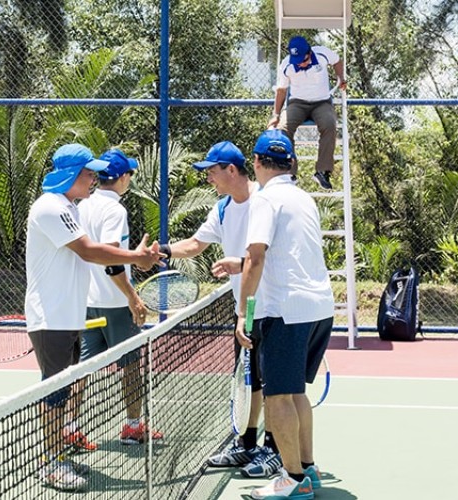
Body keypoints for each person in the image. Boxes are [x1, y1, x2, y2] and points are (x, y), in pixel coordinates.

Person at [25, 143, 163, 492]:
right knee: (54, 393)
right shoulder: (50, 207)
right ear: (70, 175)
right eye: (88, 173)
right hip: (51, 319)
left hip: (68, 316)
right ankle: (51, 463)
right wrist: (136, 257)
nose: (93, 179)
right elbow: (89, 251)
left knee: (65, 387)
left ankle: (57, 453)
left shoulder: (69, 207)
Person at [160, 141, 281, 479]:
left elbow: (268, 256)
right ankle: (246, 443)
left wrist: (239, 264)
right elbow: (196, 245)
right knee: (250, 378)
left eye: (212, 171)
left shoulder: (265, 201)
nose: (208, 178)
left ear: (231, 170)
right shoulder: (223, 209)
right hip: (244, 309)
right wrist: (164, 250)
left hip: (271, 307)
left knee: (272, 381)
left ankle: (272, 448)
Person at [236, 130, 334, 500]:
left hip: (285, 311)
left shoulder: (265, 200)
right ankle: (308, 468)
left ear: (257, 163)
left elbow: (256, 257)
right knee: (295, 392)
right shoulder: (303, 197)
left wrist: (243, 314)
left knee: (277, 397)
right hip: (319, 307)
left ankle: (293, 480)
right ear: (291, 163)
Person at [77, 147, 163, 446]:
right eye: (130, 173)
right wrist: (133, 297)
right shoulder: (115, 210)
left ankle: (70, 429)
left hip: (86, 303)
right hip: (114, 305)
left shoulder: (80, 204)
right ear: (123, 177)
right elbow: (112, 261)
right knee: (130, 367)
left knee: (81, 371)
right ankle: (133, 427)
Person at [267, 36, 346, 191]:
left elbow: (337, 61)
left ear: (309, 53)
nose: (300, 64)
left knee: (329, 124)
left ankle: (322, 171)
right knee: (283, 129)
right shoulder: (286, 64)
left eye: (302, 60)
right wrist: (275, 114)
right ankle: (289, 173)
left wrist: (341, 78)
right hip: (298, 103)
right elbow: (281, 90)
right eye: (296, 60)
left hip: (321, 102)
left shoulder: (322, 53)